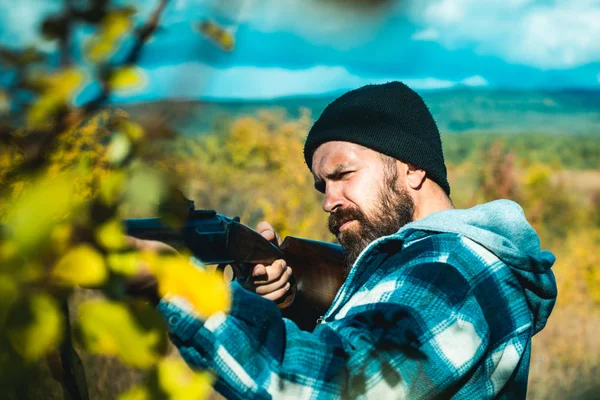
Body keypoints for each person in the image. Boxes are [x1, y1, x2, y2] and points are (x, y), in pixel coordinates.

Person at [153, 82, 557, 399]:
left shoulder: (452, 271)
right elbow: (365, 340)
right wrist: (289, 303)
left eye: (343, 175)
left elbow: (338, 387)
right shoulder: (418, 267)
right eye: (321, 186)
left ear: (412, 168)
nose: (329, 202)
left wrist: (177, 284)